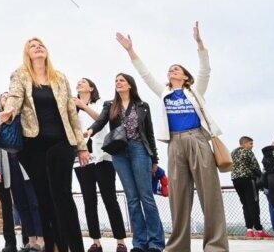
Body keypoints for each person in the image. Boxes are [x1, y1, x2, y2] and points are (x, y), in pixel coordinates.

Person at [118, 22, 229, 252]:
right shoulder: (165, 93)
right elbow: (145, 75)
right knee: (178, 196)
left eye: (177, 69)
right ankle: (178, 246)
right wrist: (131, 51)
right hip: (175, 142)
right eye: (170, 69)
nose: (172, 71)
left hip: (198, 140)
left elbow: (205, 71)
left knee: (210, 194)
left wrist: (199, 44)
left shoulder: (195, 91)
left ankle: (215, 246)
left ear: (186, 76)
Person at [0, 38, 88, 252]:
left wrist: (81, 146)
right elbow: (15, 96)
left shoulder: (60, 78)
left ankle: (75, 247)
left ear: (46, 52)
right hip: (33, 146)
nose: (38, 47)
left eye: (41, 45)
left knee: (63, 196)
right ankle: (54, 247)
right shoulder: (20, 75)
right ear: (27, 54)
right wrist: (9, 112)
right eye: (32, 46)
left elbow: (71, 113)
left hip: (62, 143)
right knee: (44, 199)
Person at [85, 74, 165, 252]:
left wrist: (154, 160)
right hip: (119, 153)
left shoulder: (142, 106)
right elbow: (101, 121)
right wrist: (90, 131)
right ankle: (139, 243)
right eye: (116, 81)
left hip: (139, 149)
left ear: (130, 84)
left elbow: (149, 134)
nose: (118, 83)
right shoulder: (110, 105)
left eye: (122, 80)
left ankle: (156, 243)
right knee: (132, 198)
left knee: (146, 196)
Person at [72, 79, 127, 252]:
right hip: (81, 159)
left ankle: (120, 241)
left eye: (83, 82)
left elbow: (101, 120)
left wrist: (83, 105)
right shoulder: (71, 109)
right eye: (78, 83)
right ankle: (96, 242)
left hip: (102, 157)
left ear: (91, 88)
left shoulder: (102, 105)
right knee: (89, 200)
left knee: (110, 198)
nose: (79, 84)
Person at [0, 93, 41, 252]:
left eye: (9, 97)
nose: (7, 99)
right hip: (9, 166)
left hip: (25, 165)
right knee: (20, 204)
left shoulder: (22, 117)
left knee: (34, 203)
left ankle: (40, 240)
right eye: (4, 97)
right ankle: (30, 241)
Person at [230, 136, 270, 239]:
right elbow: (255, 166)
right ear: (244, 143)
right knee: (253, 203)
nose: (252, 146)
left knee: (245, 204)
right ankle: (259, 230)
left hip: (235, 180)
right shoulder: (247, 152)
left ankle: (249, 230)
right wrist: (261, 177)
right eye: (250, 143)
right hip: (248, 179)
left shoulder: (233, 153)